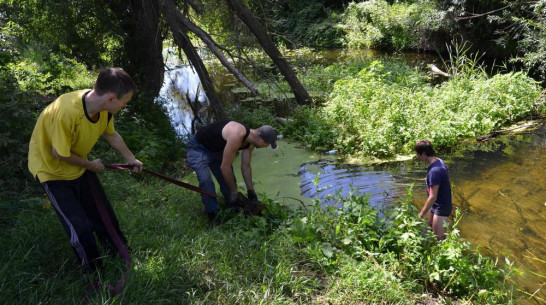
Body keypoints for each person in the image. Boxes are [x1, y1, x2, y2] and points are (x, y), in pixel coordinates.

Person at [28, 67, 142, 273]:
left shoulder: (104, 110)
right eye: (124, 102)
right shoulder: (67, 111)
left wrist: (131, 159)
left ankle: (120, 254)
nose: (125, 106)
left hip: (78, 165)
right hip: (52, 171)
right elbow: (59, 153)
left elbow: (111, 135)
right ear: (110, 99)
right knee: (79, 227)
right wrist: (91, 165)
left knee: (103, 214)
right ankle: (94, 272)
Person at [186, 119, 278, 223]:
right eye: (267, 145)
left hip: (217, 150)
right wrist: (234, 192)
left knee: (228, 181)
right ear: (261, 141)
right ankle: (213, 215)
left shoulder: (251, 141)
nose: (266, 147)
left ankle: (233, 208)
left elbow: (246, 166)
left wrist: (251, 190)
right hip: (199, 148)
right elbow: (225, 167)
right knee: (206, 181)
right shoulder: (237, 134)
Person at [414, 140, 452, 240]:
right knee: (429, 227)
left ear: (424, 154)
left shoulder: (435, 171)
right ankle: (447, 224)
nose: (417, 156)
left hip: (441, 206)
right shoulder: (438, 161)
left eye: (417, 154)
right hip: (436, 204)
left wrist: (421, 214)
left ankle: (447, 226)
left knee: (438, 239)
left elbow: (433, 196)